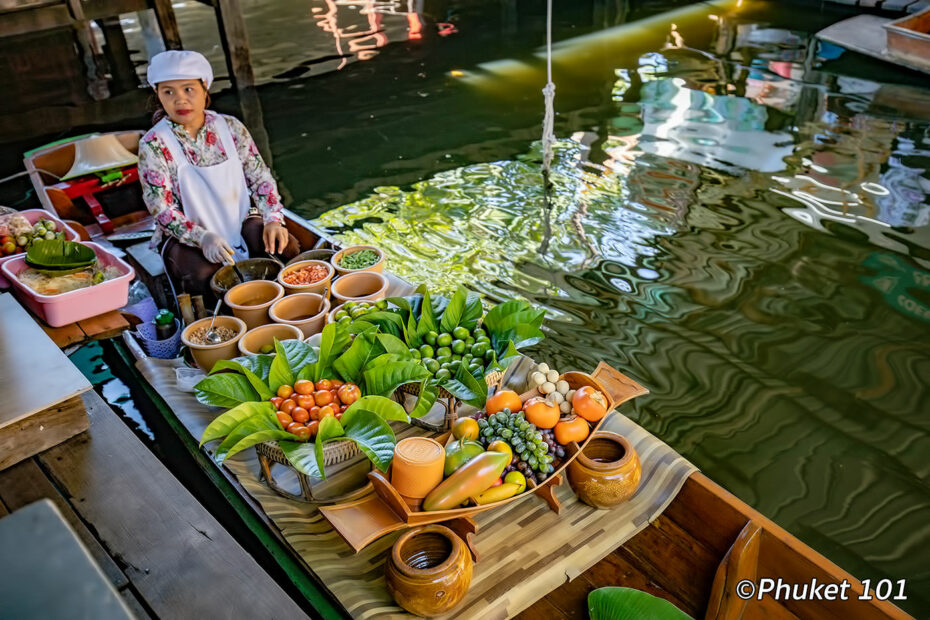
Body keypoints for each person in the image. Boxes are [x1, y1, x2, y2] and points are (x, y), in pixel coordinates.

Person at [138, 50, 299, 299]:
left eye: (188, 89)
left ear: (205, 89)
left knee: (286, 247)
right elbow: (162, 210)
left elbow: (260, 179)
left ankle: (290, 304)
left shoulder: (231, 128)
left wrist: (273, 218)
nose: (180, 100)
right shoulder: (153, 144)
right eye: (168, 92)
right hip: (188, 237)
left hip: (240, 221)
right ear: (158, 95)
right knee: (205, 276)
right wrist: (203, 238)